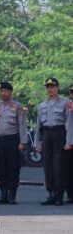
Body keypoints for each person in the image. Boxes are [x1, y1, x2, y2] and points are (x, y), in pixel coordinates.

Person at [36, 77, 70, 206]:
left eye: (53, 86)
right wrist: (37, 143)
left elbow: (69, 123)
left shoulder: (65, 103)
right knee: (47, 165)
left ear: (58, 88)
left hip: (60, 133)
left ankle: (59, 194)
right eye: (48, 87)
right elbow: (38, 125)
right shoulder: (42, 105)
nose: (50, 89)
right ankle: (50, 193)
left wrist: (69, 141)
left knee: (59, 165)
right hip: (46, 134)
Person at [0, 81, 28, 205]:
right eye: (1, 91)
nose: (4, 93)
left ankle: (12, 196)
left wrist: (23, 142)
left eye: (6, 91)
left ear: (11, 92)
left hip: (13, 141)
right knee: (1, 169)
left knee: (13, 169)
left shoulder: (17, 106)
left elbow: (22, 125)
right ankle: (3, 195)